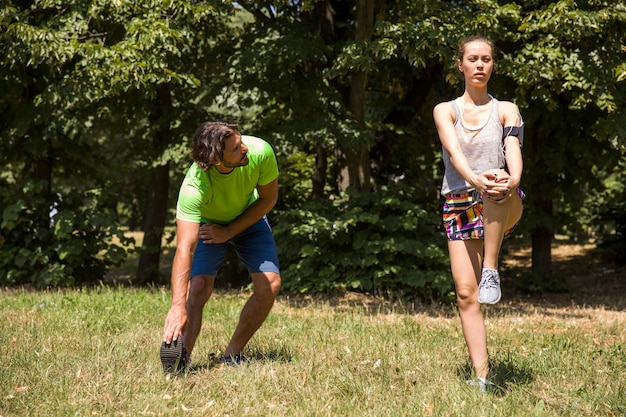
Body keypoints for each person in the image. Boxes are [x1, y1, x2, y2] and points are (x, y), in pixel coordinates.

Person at [433, 35, 525, 391]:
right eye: (473, 59)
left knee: (498, 176)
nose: (480, 65)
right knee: (466, 294)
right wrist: (474, 179)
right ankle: (482, 377)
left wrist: (511, 179)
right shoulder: (446, 109)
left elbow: (513, 148)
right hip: (459, 201)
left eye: (486, 59)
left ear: (492, 65)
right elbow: (454, 152)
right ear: (460, 65)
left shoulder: (506, 109)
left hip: (502, 199)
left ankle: (491, 268)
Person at [160, 121, 281, 374]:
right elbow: (185, 248)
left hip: (251, 217)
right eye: (236, 148)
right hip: (208, 224)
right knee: (199, 287)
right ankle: (181, 362)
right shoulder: (194, 187)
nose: (245, 148)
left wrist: (229, 231)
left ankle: (232, 354)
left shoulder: (261, 151)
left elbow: (269, 199)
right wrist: (176, 305)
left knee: (270, 284)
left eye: (241, 141)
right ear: (216, 159)